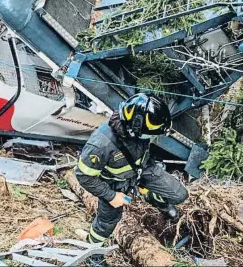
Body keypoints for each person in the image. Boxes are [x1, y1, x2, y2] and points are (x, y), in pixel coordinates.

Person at [75, 93, 188, 245]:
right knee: (107, 222)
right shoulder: (100, 145)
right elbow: (84, 176)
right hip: (114, 184)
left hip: (143, 169)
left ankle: (152, 197)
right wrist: (111, 196)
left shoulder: (139, 131)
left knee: (179, 194)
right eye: (149, 135)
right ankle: (92, 250)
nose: (151, 138)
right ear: (134, 127)